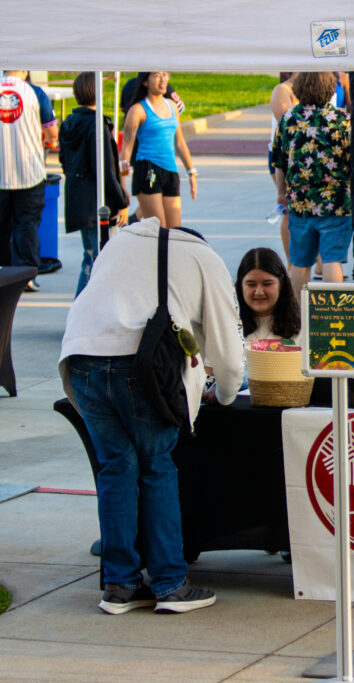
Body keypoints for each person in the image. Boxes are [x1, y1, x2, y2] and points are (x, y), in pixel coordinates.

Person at [58, 217, 245, 615]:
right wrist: (225, 395)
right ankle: (170, 584)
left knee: (115, 467)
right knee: (157, 466)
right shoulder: (203, 258)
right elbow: (228, 352)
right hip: (138, 367)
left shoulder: (121, 243)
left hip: (80, 360)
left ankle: (119, 585)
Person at [272, 71, 353, 296]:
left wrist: (281, 193)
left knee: (299, 262)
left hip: (301, 202)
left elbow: (279, 160)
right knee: (332, 260)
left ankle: (297, 317)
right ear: (329, 88)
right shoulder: (342, 120)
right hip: (336, 203)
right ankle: (330, 314)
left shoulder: (288, 119)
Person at [59, 72, 131, 296]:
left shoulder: (69, 123)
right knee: (98, 258)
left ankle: (83, 311)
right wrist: (122, 200)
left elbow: (64, 161)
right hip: (97, 201)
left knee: (90, 255)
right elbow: (105, 170)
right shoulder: (97, 125)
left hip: (78, 198)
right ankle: (83, 313)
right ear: (98, 91)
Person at [0, 69, 58, 292]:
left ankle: (3, 271)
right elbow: (52, 134)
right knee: (27, 225)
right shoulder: (35, 93)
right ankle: (26, 276)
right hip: (29, 173)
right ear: (24, 70)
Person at [119, 72, 198, 229]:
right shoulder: (138, 110)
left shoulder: (172, 106)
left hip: (170, 171)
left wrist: (191, 172)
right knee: (159, 231)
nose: (163, 80)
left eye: (165, 75)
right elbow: (126, 149)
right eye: (156, 76)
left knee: (175, 232)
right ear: (145, 82)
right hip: (148, 170)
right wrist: (122, 184)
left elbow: (180, 142)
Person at [236, 247, 300, 343]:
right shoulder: (228, 326)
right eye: (251, 285)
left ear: (281, 284)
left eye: (267, 284)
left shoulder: (303, 328)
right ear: (240, 285)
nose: (259, 292)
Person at [268, 73, 298, 259]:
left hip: (307, 155)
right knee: (289, 206)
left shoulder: (315, 88)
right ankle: (291, 262)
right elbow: (288, 128)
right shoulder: (282, 90)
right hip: (284, 156)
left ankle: (320, 261)